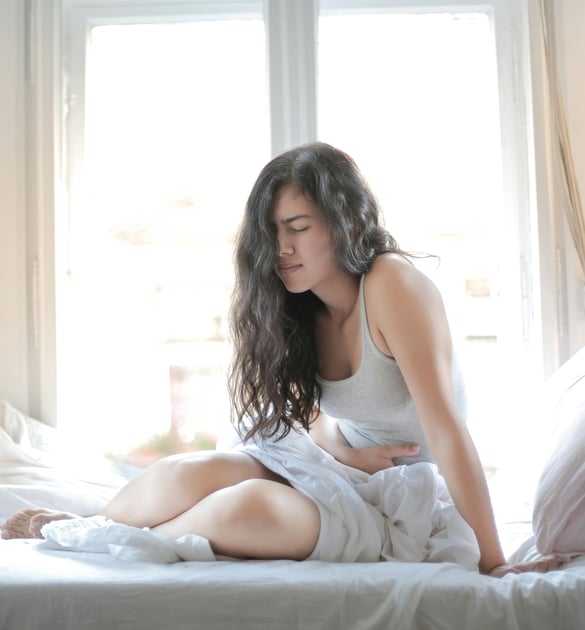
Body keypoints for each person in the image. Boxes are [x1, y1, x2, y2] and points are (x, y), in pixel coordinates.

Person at [1, 142, 561, 576]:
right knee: (196, 470)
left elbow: (448, 427)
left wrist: (493, 560)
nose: (282, 248)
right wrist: (345, 450)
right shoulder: (301, 308)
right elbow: (311, 419)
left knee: (248, 506)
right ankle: (92, 524)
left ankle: (100, 540)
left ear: (349, 223)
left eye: (298, 227)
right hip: (341, 472)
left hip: (407, 501)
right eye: (273, 232)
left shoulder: (393, 285)